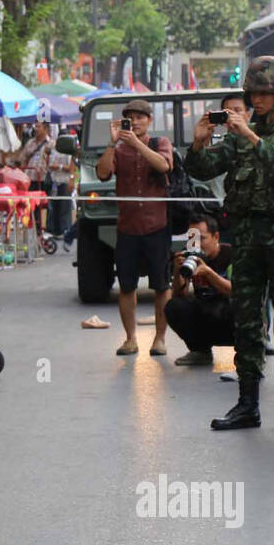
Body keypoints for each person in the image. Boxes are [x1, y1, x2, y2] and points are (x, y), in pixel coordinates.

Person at [185, 56, 274, 431]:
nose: (257, 100)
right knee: (246, 318)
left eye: (265, 93)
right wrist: (197, 147)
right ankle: (247, 402)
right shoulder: (239, 135)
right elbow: (204, 169)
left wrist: (250, 136)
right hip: (246, 239)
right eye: (253, 93)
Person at [95, 99, 173, 356]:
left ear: (150, 120)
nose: (136, 122)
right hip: (127, 228)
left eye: (141, 117)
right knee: (126, 286)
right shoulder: (118, 150)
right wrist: (112, 142)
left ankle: (159, 339)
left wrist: (136, 143)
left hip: (157, 226)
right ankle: (130, 339)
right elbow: (103, 174)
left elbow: (163, 166)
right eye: (130, 118)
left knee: (161, 286)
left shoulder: (159, 143)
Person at [166, 214, 234, 365]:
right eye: (192, 239)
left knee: (243, 307)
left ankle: (249, 350)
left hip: (229, 315)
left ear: (216, 237)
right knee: (174, 306)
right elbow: (178, 294)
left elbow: (237, 291)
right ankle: (200, 351)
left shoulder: (231, 254)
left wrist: (209, 274)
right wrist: (178, 272)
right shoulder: (189, 254)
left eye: (201, 239)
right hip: (206, 312)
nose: (197, 244)